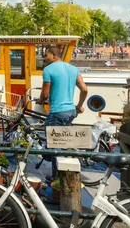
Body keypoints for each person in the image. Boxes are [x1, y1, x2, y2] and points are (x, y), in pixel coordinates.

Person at [37, 45, 89, 179]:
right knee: (64, 142)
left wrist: (40, 101)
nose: (45, 58)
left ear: (54, 55)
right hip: (71, 111)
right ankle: (66, 174)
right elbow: (84, 89)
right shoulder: (73, 69)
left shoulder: (48, 70)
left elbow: (45, 93)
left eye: (46, 55)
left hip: (57, 111)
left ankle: (57, 179)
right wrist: (78, 106)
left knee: (54, 145)